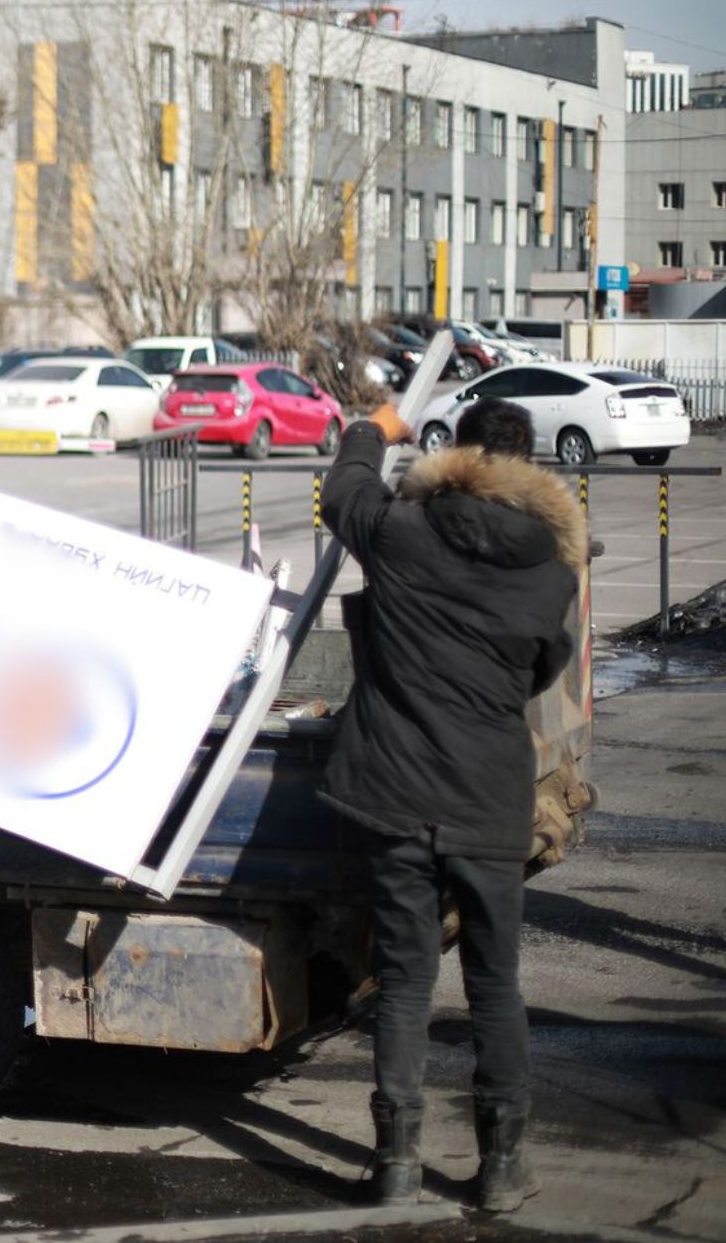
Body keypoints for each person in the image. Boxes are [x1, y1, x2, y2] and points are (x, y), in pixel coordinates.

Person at [319, 396, 584, 1211]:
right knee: (495, 986)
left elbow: (343, 492)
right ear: (529, 467)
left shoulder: (402, 532)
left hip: (394, 793)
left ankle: (396, 1162)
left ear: (457, 455)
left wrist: (374, 428)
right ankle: (501, 1165)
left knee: (403, 982)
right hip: (488, 798)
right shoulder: (550, 570)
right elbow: (546, 672)